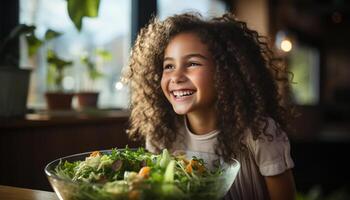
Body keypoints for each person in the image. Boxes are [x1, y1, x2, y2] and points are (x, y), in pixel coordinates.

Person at [125, 12, 296, 200]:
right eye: (169, 66)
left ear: (226, 72)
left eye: (192, 63)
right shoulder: (162, 137)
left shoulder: (260, 133)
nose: (176, 77)